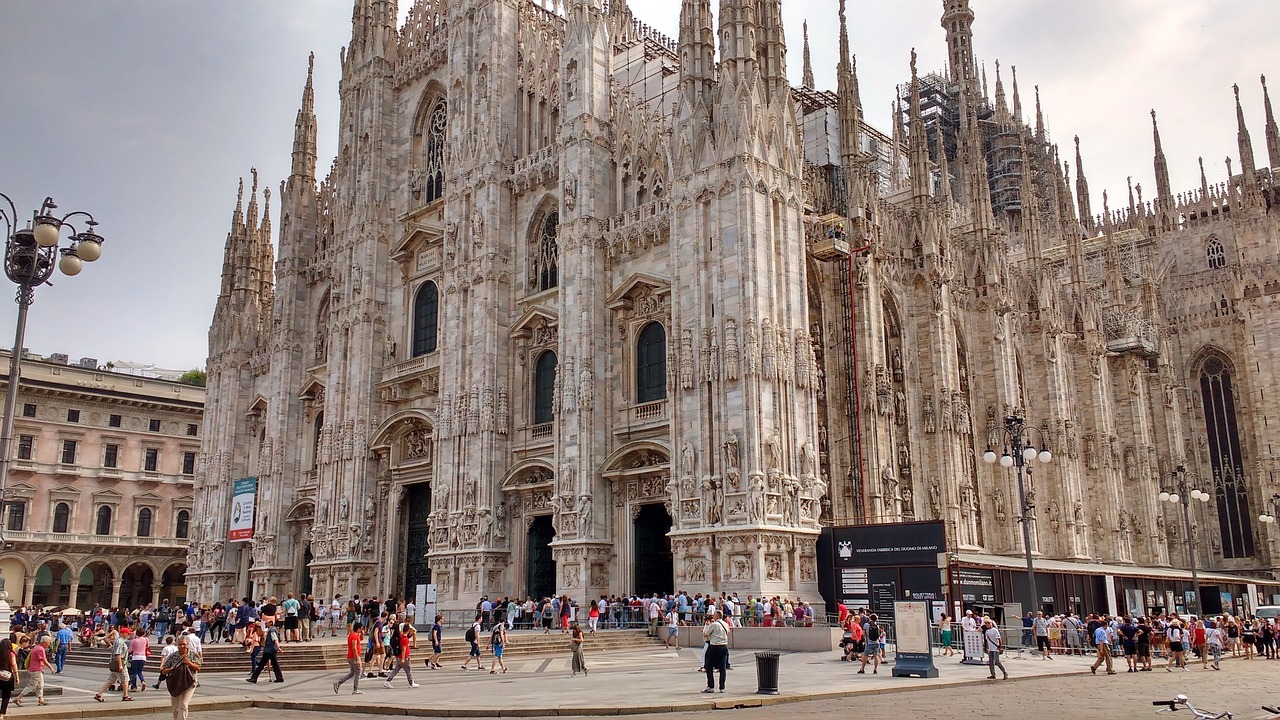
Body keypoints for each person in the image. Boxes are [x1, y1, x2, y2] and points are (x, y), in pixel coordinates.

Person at [159, 635, 202, 720]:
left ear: (188, 644)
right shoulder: (172, 656)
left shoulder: (193, 655)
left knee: (183, 704)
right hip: (175, 682)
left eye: (184, 644)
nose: (182, 646)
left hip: (189, 682)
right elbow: (163, 670)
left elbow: (198, 667)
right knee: (175, 707)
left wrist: (189, 663)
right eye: (180, 644)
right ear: (177, 645)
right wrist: (171, 669)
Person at [95, 629, 134, 702]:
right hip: (120, 663)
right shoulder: (120, 642)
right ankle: (125, 696)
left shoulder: (119, 641)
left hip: (116, 663)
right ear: (123, 633)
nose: (128, 635)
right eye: (127, 633)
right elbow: (118, 654)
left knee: (110, 680)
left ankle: (99, 694)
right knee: (126, 679)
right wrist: (120, 665)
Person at [15, 636, 51, 706]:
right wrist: (51, 668)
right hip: (36, 670)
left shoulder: (36, 647)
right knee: (32, 685)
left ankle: (41, 699)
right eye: (48, 643)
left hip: (35, 669)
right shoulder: (40, 649)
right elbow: (43, 660)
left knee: (40, 684)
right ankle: (18, 698)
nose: (49, 645)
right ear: (44, 643)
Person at [701, 610, 729, 693]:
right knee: (722, 668)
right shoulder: (725, 624)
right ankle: (722, 687)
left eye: (714, 615)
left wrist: (705, 629)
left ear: (717, 616)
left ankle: (711, 686)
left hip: (714, 647)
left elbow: (706, 634)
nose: (713, 616)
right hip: (724, 646)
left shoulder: (714, 625)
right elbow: (728, 632)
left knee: (708, 666)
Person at [333, 621, 365, 695]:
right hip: (353, 657)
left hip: (350, 656)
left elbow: (361, 639)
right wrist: (357, 659)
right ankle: (355, 689)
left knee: (352, 673)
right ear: (359, 629)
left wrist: (362, 633)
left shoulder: (353, 635)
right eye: (361, 628)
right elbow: (354, 648)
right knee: (358, 672)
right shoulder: (354, 636)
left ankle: (338, 683)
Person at [384, 623, 420, 687]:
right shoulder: (405, 639)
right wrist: (403, 658)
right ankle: (411, 682)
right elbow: (404, 649)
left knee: (396, 670)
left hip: (398, 656)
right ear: (408, 630)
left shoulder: (401, 636)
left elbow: (413, 632)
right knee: (408, 670)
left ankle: (388, 681)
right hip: (403, 657)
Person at [126, 627, 150, 693]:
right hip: (143, 657)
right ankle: (143, 681)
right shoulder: (146, 639)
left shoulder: (134, 640)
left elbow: (130, 650)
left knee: (134, 672)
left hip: (135, 657)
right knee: (140, 671)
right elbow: (147, 647)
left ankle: (134, 687)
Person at [1, 638, 19, 718]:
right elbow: (14, 665)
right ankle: (1, 714)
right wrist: (17, 677)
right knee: (6, 696)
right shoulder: (11, 654)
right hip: (7, 676)